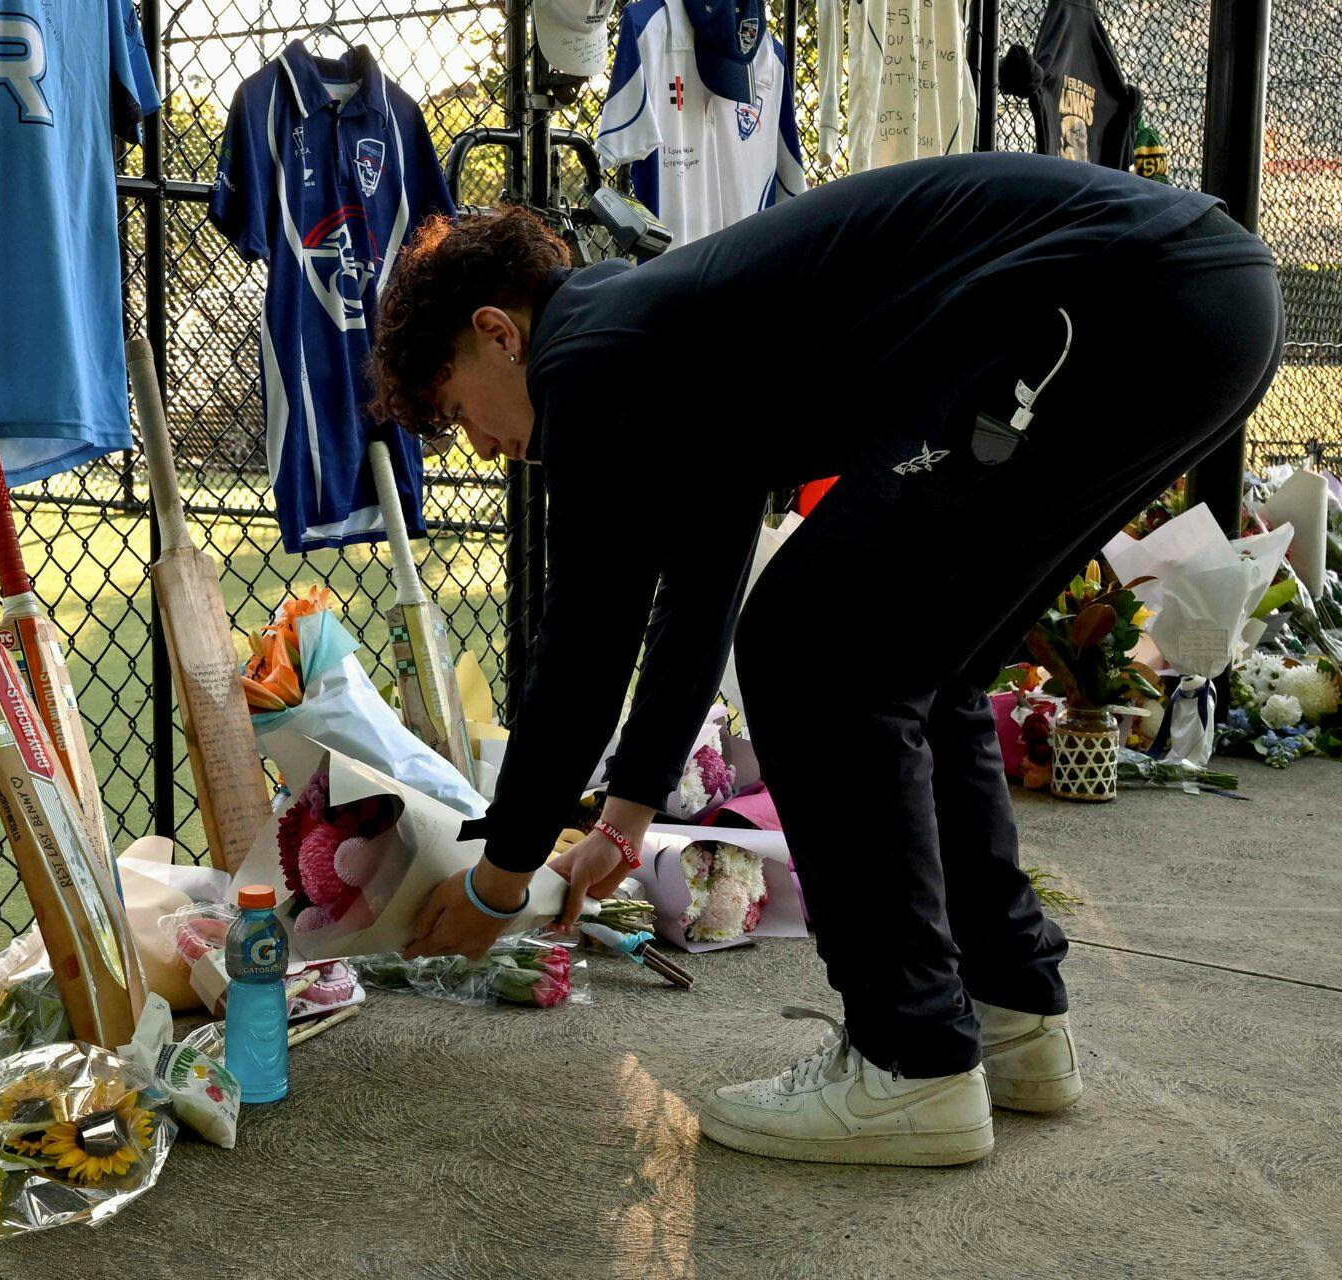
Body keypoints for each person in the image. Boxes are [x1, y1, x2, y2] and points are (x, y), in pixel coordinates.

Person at [377, 152, 1282, 1167]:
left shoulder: (584, 357)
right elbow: (698, 596)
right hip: (1193, 297)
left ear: (498, 331)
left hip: (1114, 300)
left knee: (816, 647)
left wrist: (499, 881)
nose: (487, 447)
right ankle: (1009, 1014)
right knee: (916, 667)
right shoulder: (657, 348)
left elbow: (587, 638)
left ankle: (908, 1060)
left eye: (459, 412)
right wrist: (624, 818)